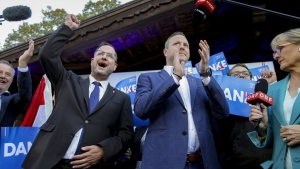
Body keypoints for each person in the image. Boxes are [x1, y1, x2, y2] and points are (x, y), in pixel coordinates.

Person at [22, 14, 134, 169]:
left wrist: (104, 150)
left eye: (110, 56)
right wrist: (66, 29)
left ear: (114, 66)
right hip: (48, 163)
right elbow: (47, 55)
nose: (104, 57)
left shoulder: (122, 98)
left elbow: (126, 135)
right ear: (92, 61)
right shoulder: (68, 80)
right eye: (100, 53)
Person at [134, 32, 230, 169]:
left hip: (203, 163)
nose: (182, 47)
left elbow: (223, 112)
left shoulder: (200, 82)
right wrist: (175, 77)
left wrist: (206, 75)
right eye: (176, 44)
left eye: (185, 45)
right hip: (165, 163)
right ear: (165, 52)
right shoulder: (148, 78)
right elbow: (141, 110)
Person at [248, 28, 300, 169]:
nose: (276, 56)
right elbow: (273, 140)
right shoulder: (272, 91)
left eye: (279, 49)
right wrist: (264, 128)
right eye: (274, 52)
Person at [217, 63, 273, 169]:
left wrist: (272, 82)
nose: (241, 76)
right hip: (240, 163)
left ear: (251, 78)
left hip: (268, 162)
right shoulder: (223, 105)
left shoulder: (265, 98)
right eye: (236, 74)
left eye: (245, 73)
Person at [0, 40, 33, 127]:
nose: (3, 76)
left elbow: (25, 95)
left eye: (8, 74)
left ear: (11, 80)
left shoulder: (11, 102)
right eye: (0, 72)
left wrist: (22, 63)